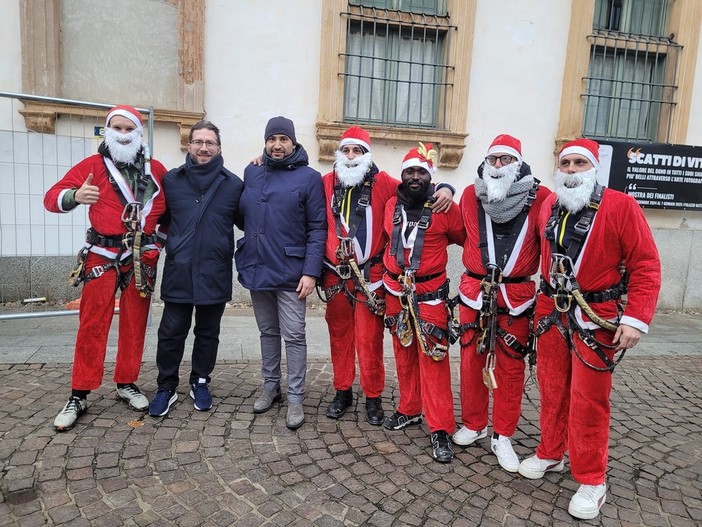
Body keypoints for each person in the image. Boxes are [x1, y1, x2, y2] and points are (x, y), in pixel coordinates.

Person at [518, 138, 661, 520]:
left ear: (593, 168)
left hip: (596, 314)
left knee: (589, 398)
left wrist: (635, 317)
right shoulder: (550, 203)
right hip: (551, 310)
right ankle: (551, 452)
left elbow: (646, 264)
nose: (571, 170)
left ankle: (592, 477)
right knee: (550, 386)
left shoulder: (621, 206)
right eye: (565, 164)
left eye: (579, 163)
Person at [44, 105, 167, 431]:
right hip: (101, 254)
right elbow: (51, 197)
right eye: (118, 128)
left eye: (130, 129)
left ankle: (126, 382)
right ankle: (79, 393)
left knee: (135, 323)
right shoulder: (93, 166)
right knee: (92, 323)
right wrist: (75, 195)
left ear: (139, 133)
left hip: (141, 257)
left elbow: (170, 211)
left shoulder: (156, 169)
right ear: (108, 130)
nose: (124, 134)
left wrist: (159, 242)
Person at [321, 126, 454, 425]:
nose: (352, 156)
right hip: (335, 277)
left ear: (368, 155)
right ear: (339, 154)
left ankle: (373, 396)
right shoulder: (325, 182)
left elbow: (417, 187)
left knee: (369, 340)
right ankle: (342, 390)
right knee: (339, 335)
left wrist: (446, 187)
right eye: (347, 150)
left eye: (358, 151)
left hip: (371, 277)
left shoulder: (385, 184)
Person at [454, 135, 550, 472]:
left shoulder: (543, 199)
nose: (497, 165)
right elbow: (450, 224)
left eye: (505, 160)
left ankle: (503, 435)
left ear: (519, 164)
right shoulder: (469, 194)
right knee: (470, 360)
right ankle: (475, 423)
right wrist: (444, 189)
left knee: (510, 368)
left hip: (517, 296)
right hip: (474, 291)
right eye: (493, 159)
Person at [235, 116, 326, 430]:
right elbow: (243, 215)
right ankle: (270, 385)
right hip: (258, 267)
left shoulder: (309, 177)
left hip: (291, 272)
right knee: (267, 332)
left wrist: (311, 272)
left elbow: (317, 229)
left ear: (293, 142)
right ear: (265, 142)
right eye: (271, 139)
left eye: (282, 139)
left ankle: (296, 396)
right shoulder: (252, 171)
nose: (277, 145)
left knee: (295, 336)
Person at [148, 121, 244, 417]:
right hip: (179, 269)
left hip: (214, 272)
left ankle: (200, 381)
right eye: (199, 142)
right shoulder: (172, 181)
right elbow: (156, 218)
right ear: (189, 145)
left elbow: (248, 222)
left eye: (210, 143)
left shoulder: (234, 185)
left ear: (219, 148)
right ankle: (166, 385)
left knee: (207, 333)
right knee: (171, 333)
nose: (204, 148)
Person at [381, 143, 465, 463]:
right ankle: (410, 407)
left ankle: (441, 426)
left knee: (433, 360)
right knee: (403, 353)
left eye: (421, 172)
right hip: (395, 292)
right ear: (402, 176)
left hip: (429, 294)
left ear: (430, 177)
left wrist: (448, 189)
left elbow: (465, 238)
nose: (415, 177)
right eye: (409, 172)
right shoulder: (391, 203)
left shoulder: (445, 208)